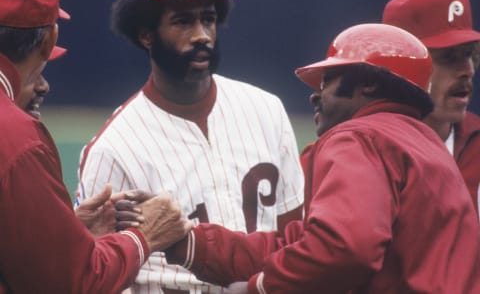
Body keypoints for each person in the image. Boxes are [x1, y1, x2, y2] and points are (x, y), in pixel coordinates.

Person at [164, 23, 480, 294]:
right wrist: (190, 243)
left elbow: (347, 247)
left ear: (368, 82)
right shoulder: (429, 148)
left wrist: (262, 286)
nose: (315, 94)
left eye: (328, 81)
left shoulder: (358, 137)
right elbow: (300, 243)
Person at [77, 0, 304, 292]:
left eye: (208, 19)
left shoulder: (267, 110)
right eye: (183, 22)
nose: (202, 35)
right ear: (146, 34)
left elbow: (296, 236)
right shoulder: (114, 147)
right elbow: (99, 274)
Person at [0, 0, 192, 292]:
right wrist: (143, 236)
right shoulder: (17, 137)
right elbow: (75, 283)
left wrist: (64, 231)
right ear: (50, 39)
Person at [382, 0, 480, 216]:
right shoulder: (362, 150)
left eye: (468, 54)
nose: (467, 70)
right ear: (400, 65)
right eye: (447, 57)